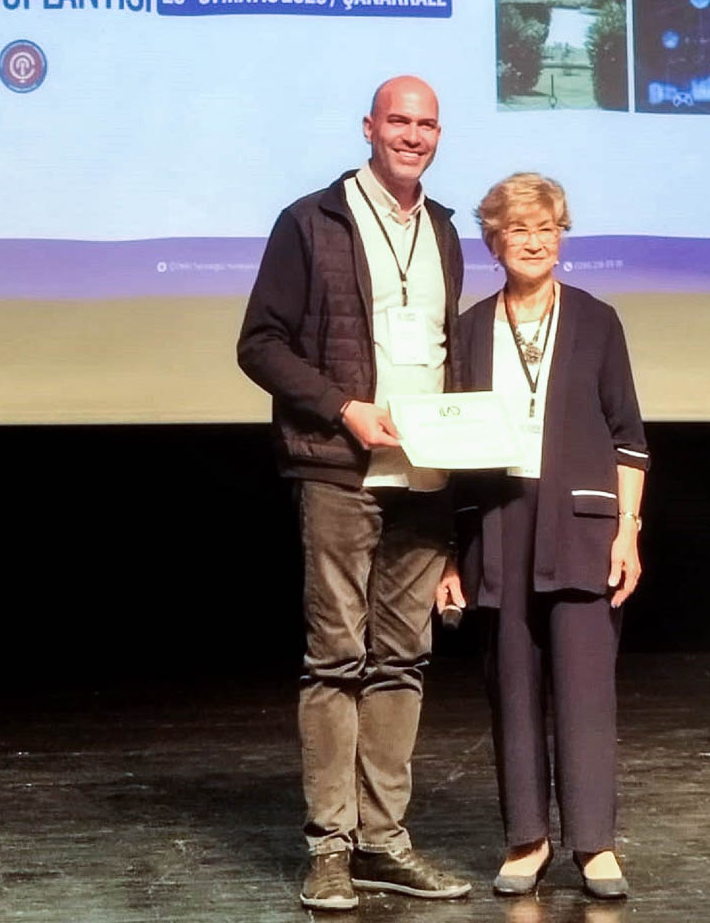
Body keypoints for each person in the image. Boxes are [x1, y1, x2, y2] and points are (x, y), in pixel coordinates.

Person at [237, 75, 471, 911]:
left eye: (426, 124)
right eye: (398, 120)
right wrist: (345, 408)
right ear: (368, 127)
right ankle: (331, 847)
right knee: (336, 658)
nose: (412, 135)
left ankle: (383, 841)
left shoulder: (444, 229)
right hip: (339, 469)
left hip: (426, 476)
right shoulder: (311, 220)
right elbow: (260, 344)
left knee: (404, 659)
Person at [435, 172, 649, 899]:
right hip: (498, 525)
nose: (533, 242)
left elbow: (629, 437)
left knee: (586, 690)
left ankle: (595, 845)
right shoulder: (468, 329)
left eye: (546, 229)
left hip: (584, 525)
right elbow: (448, 449)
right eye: (518, 230)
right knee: (513, 688)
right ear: (494, 242)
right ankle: (527, 839)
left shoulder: (597, 320)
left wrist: (628, 533)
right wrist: (450, 554)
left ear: (561, 237)